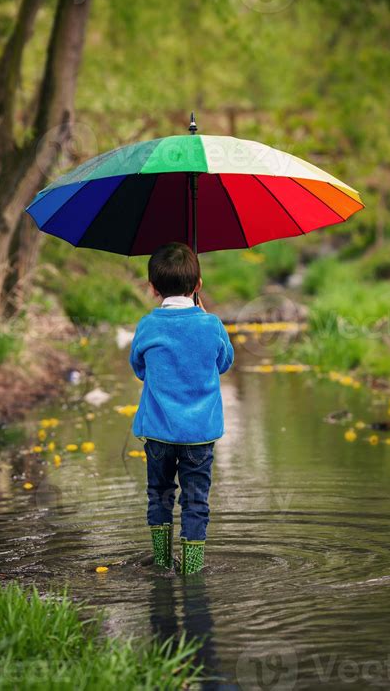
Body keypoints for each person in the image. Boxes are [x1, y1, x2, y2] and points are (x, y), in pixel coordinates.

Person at [129, 242, 234, 574]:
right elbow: (224, 362)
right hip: (199, 436)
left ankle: (162, 563)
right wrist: (203, 317)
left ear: (152, 288)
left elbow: (139, 367)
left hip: (158, 433)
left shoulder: (148, 325)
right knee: (195, 501)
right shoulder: (211, 324)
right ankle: (192, 570)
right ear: (198, 285)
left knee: (159, 494)